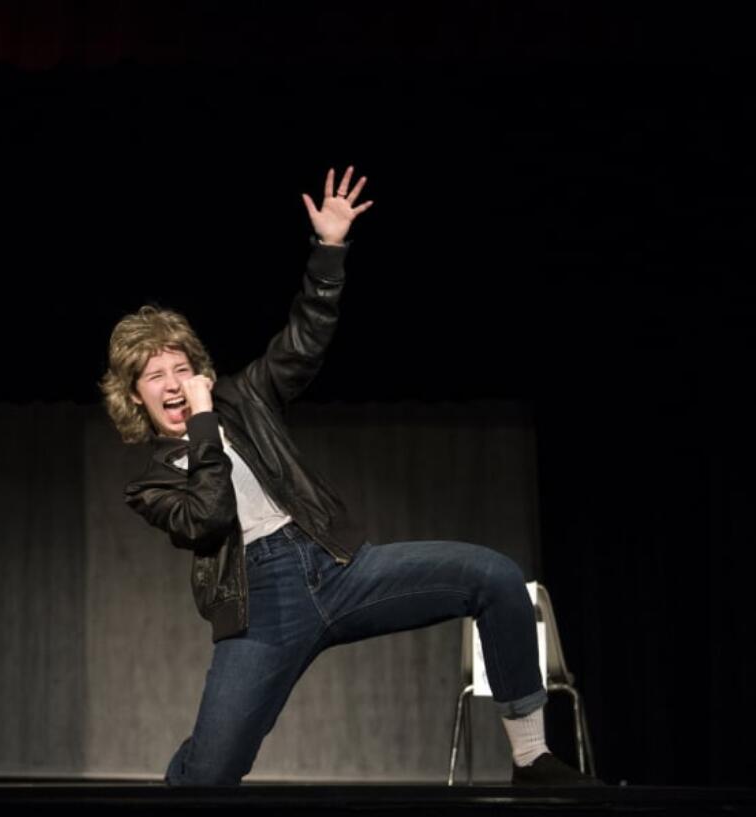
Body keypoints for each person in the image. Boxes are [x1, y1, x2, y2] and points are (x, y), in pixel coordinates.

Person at [98, 166, 600, 787]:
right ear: (135, 397)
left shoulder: (247, 396)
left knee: (494, 577)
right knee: (207, 778)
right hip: (261, 610)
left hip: (336, 569)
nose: (173, 383)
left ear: (198, 369)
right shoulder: (150, 485)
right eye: (154, 376)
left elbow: (303, 342)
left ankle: (530, 759)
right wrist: (203, 425)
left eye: (180, 367)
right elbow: (209, 515)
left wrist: (329, 249)